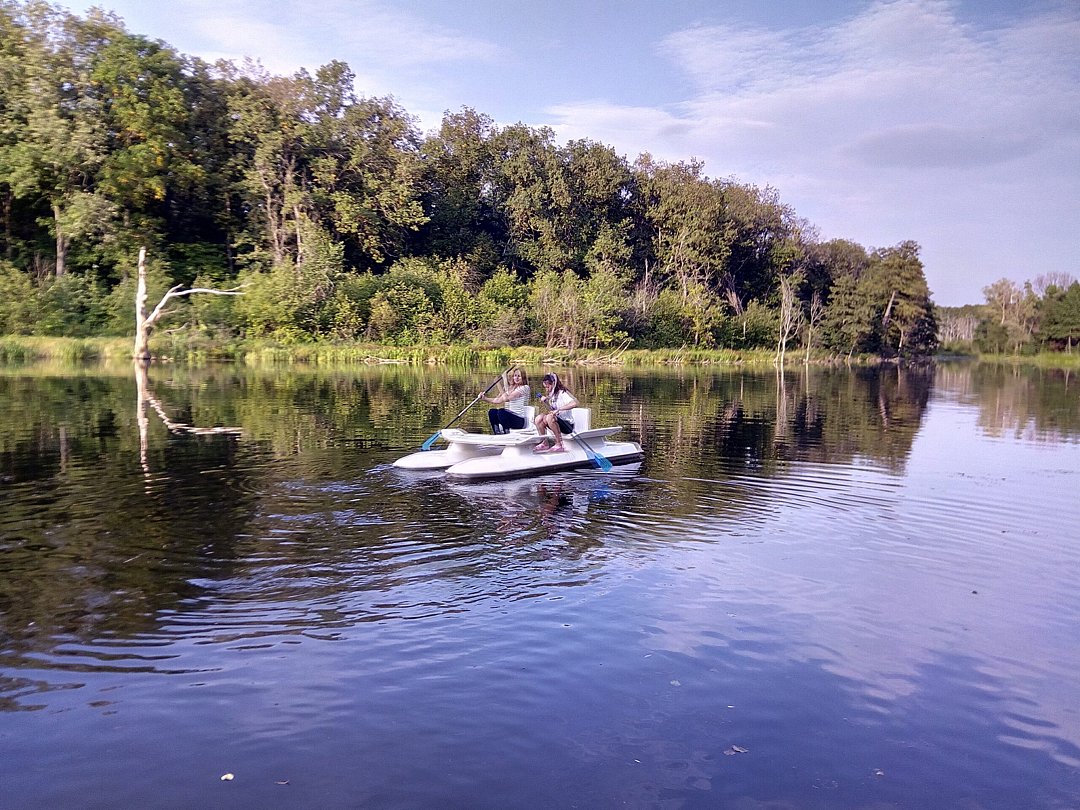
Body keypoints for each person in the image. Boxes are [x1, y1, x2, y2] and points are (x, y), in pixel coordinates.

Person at [533, 372, 578, 453]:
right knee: (539, 418)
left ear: (553, 383)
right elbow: (552, 409)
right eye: (545, 387)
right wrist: (545, 401)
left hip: (567, 425)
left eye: (548, 387)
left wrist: (559, 409)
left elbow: (575, 403)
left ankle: (559, 444)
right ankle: (544, 442)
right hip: (557, 422)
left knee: (549, 417)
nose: (547, 389)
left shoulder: (563, 393)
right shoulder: (551, 395)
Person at [480, 367, 530, 434]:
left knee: (501, 411)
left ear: (523, 377)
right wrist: (485, 398)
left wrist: (501, 382)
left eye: (519, 376)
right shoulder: (512, 388)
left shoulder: (525, 388)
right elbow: (498, 400)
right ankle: (497, 432)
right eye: (515, 376)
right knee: (492, 412)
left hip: (520, 420)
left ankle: (507, 432)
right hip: (511, 417)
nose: (516, 378)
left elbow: (506, 399)